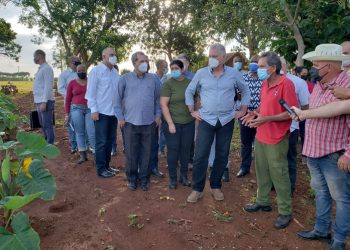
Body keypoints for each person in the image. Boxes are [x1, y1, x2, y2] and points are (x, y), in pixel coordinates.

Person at [290, 43, 350, 250]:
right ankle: (322, 229)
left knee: (342, 199)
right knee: (321, 193)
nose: (312, 68)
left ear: (330, 66)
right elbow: (315, 112)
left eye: (316, 64)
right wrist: (299, 114)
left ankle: (339, 241)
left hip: (334, 155)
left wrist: (349, 155)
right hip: (314, 150)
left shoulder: (347, 87)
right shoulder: (319, 84)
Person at [185, 43, 250, 203]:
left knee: (222, 154)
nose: (211, 59)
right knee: (200, 155)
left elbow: (245, 90)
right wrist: (192, 110)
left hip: (226, 120)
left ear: (223, 57)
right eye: (210, 56)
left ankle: (215, 186)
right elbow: (189, 91)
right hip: (206, 119)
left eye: (214, 56)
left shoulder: (233, 74)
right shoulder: (201, 73)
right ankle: (197, 189)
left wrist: (243, 109)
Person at [242, 51, 298, 229]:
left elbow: (291, 112)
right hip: (261, 135)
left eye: (261, 66)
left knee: (279, 175)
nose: (257, 69)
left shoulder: (286, 84)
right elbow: (265, 106)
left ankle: (285, 211)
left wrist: (267, 118)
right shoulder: (265, 83)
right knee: (261, 171)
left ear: (273, 68)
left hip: (277, 137)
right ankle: (263, 201)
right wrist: (256, 112)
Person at [117, 51, 161, 191]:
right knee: (131, 152)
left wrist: (158, 115)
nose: (145, 64)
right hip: (130, 122)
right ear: (134, 63)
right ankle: (131, 179)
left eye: (146, 61)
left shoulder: (153, 79)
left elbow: (158, 99)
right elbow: (116, 99)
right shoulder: (125, 79)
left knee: (147, 152)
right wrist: (120, 117)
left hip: (149, 122)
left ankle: (144, 179)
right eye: (142, 61)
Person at [85, 47, 119, 178]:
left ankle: (107, 166)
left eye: (114, 55)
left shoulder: (115, 72)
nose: (113, 57)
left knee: (110, 141)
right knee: (101, 142)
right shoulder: (96, 71)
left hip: (113, 113)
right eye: (111, 54)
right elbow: (91, 93)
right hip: (101, 112)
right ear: (104, 56)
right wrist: (94, 110)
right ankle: (100, 169)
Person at [160, 59, 195, 189]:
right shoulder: (168, 84)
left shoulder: (190, 83)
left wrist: (195, 113)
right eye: (172, 68)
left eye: (176, 68)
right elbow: (163, 105)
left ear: (182, 69)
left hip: (188, 123)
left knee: (186, 150)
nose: (174, 70)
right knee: (173, 151)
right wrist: (170, 123)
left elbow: (196, 99)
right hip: (172, 123)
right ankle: (173, 179)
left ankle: (184, 176)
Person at [280, 57, 310, 194]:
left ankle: (290, 187)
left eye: (279, 64)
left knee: (290, 158)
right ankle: (276, 184)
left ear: (285, 66)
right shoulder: (266, 82)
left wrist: (296, 117)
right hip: (271, 128)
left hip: (291, 127)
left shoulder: (298, 82)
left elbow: (305, 105)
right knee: (275, 159)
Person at [236, 55, 263, 178]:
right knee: (245, 143)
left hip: (260, 116)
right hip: (245, 115)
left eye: (256, 62)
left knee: (260, 144)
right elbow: (236, 93)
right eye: (252, 62)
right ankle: (244, 167)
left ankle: (261, 169)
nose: (254, 64)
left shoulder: (265, 79)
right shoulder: (243, 78)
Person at [64, 64, 95, 164]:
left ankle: (96, 154)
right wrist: (67, 114)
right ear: (76, 72)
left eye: (83, 70)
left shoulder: (91, 82)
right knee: (79, 132)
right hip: (76, 109)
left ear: (86, 71)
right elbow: (68, 99)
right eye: (79, 70)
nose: (81, 71)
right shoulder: (72, 83)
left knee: (91, 132)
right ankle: (83, 154)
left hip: (90, 109)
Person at [58, 56, 80, 153]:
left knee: (80, 124)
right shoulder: (64, 75)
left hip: (81, 103)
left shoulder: (80, 73)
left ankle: (82, 145)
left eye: (79, 62)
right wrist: (70, 94)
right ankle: (74, 145)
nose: (78, 64)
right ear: (70, 63)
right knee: (71, 125)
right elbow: (60, 88)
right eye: (76, 62)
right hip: (70, 103)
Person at [32, 49, 55, 144]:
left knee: (47, 124)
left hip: (45, 101)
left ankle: (50, 145)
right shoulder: (41, 69)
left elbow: (48, 86)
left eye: (34, 56)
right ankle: (46, 143)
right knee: (42, 124)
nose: (34, 59)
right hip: (39, 101)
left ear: (39, 57)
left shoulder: (47, 69)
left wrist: (44, 102)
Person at [155, 59, 168, 156]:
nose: (166, 68)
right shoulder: (152, 77)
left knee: (163, 128)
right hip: (154, 107)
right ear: (159, 67)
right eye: (165, 66)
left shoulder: (167, 78)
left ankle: (162, 148)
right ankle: (154, 147)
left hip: (164, 106)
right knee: (154, 127)